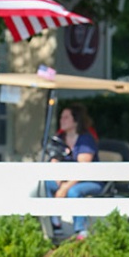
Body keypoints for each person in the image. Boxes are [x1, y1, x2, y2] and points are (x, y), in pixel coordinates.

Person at [45, 103, 103, 240]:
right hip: (66, 180)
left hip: (90, 181)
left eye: (66, 117)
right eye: (61, 117)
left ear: (75, 120)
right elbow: (54, 161)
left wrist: (65, 187)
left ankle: (80, 230)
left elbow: (83, 169)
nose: (62, 120)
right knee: (47, 183)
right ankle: (55, 223)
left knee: (73, 192)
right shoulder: (60, 138)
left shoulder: (86, 140)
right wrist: (59, 182)